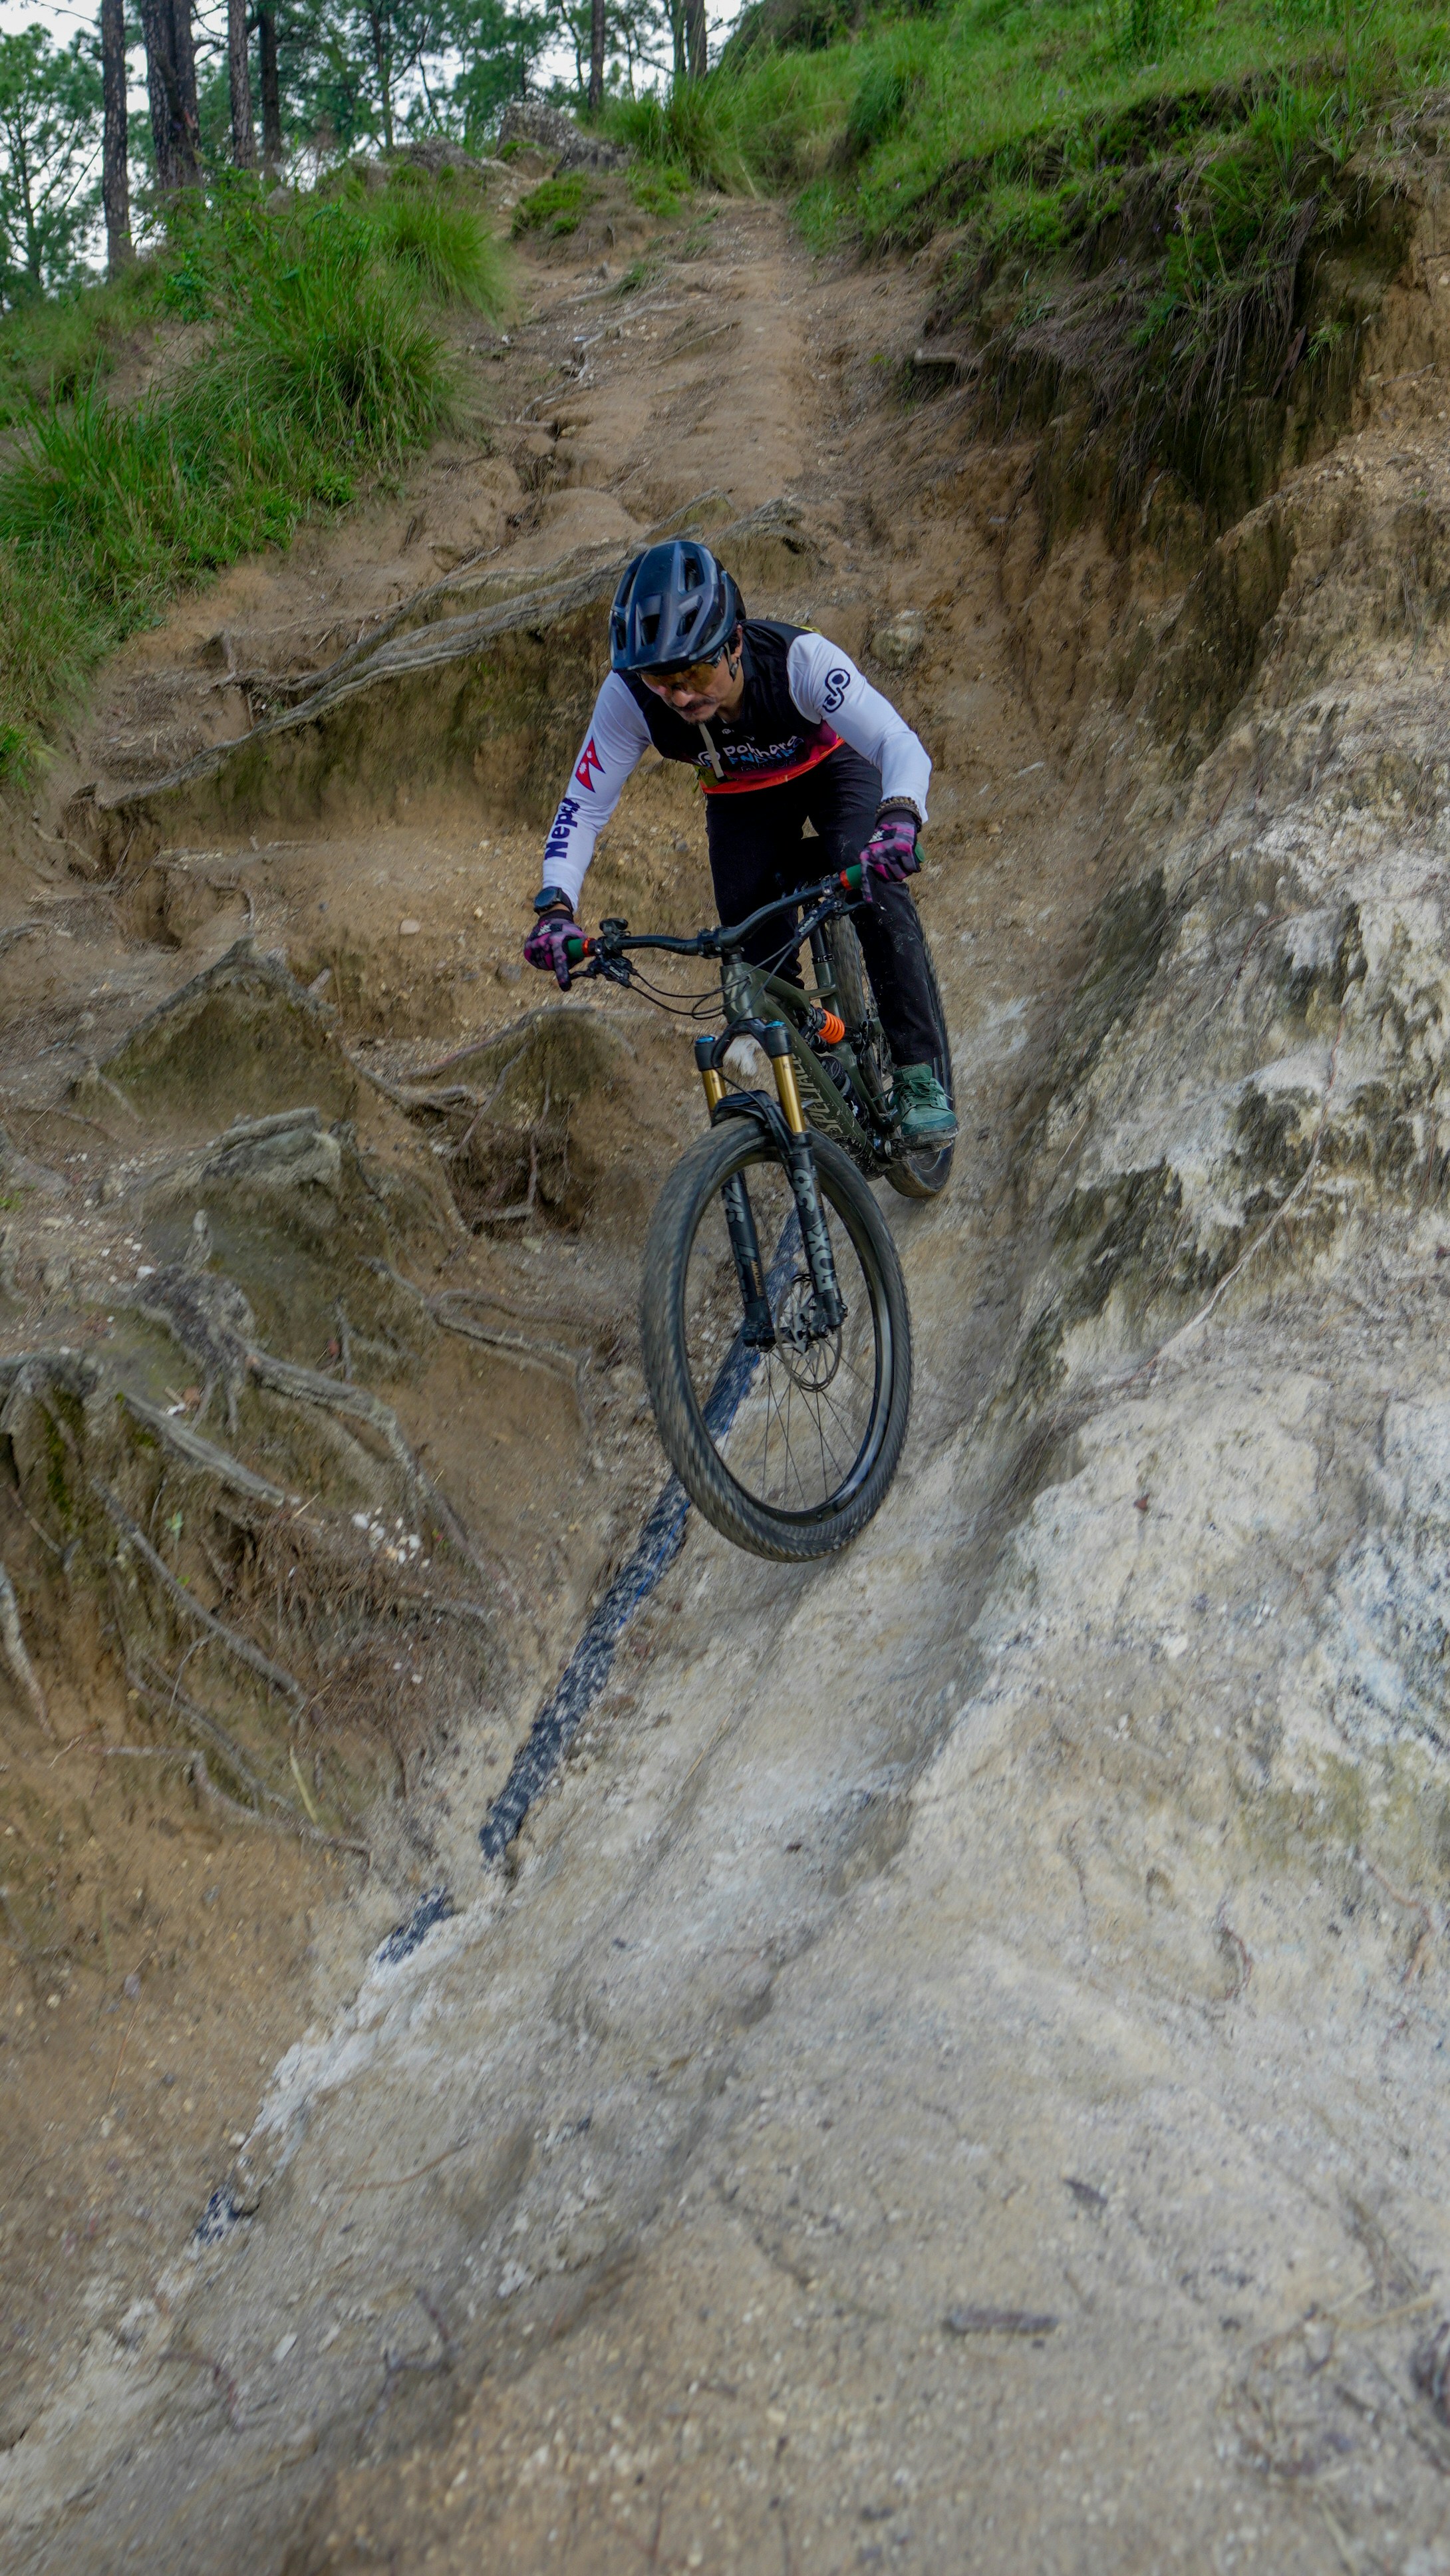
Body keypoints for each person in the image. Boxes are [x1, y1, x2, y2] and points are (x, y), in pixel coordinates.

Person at [521, 538, 956, 1148]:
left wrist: (902, 815)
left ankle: (917, 1074)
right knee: (748, 941)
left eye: (695, 672)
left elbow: (896, 742)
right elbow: (583, 805)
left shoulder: (802, 660)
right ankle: (816, 1057)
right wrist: (555, 907)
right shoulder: (628, 699)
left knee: (872, 880)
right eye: (660, 680)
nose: (678, 696)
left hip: (834, 770)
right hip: (742, 796)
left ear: (734, 643)